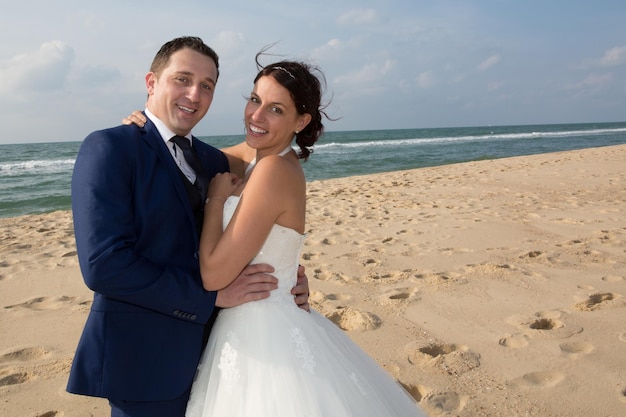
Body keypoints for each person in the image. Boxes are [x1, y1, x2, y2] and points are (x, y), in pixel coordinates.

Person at [67, 36, 309, 417]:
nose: (194, 94)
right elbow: (104, 265)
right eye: (182, 79)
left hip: (222, 355)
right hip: (147, 363)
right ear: (152, 83)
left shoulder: (215, 161)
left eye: (207, 86)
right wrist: (209, 297)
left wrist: (287, 274)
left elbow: (269, 210)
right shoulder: (110, 148)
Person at [183, 55, 428, 416]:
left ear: (302, 120)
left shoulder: (273, 171)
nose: (256, 116)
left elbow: (214, 274)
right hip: (265, 315)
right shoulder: (261, 160)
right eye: (254, 100)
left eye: (276, 109)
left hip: (260, 331)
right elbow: (183, 153)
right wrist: (142, 127)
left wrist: (217, 200)